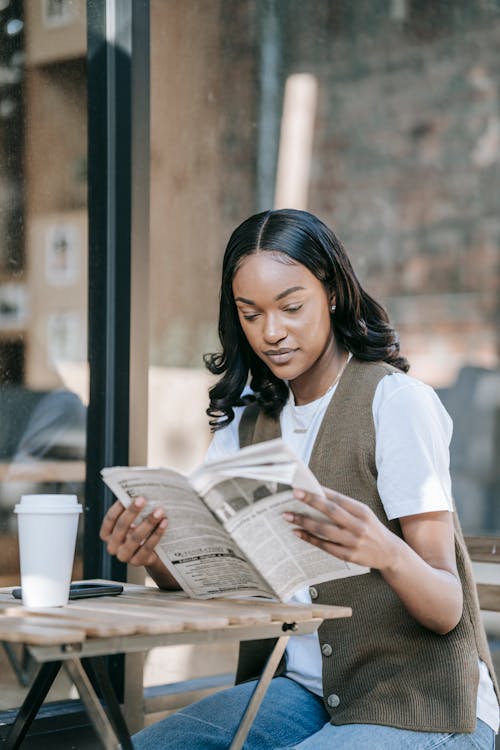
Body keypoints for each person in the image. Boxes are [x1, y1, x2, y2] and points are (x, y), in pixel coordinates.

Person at [100, 209, 499, 749]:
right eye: (250, 313)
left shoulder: (396, 404)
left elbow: (447, 608)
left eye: (291, 307)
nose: (271, 332)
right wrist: (155, 555)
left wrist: (384, 550)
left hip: (422, 704)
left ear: (331, 292)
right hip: (304, 691)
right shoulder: (247, 422)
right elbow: (215, 581)